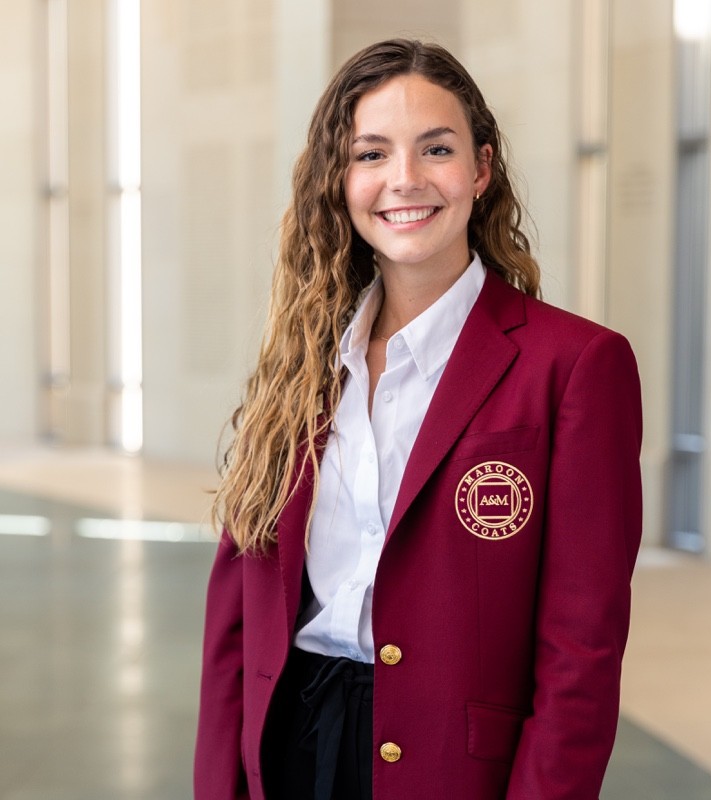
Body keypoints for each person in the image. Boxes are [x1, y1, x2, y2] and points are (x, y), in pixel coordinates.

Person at [194, 38, 642, 800]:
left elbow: (581, 652)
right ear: (340, 180)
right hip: (290, 741)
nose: (404, 180)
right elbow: (238, 615)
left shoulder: (575, 367)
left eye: (435, 148)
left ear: (481, 169)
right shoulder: (300, 364)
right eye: (371, 154)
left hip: (451, 766)